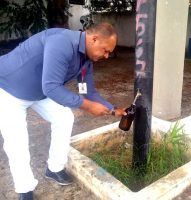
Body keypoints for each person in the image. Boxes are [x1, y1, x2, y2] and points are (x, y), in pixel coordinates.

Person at [0, 22, 126, 200]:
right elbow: (51, 87)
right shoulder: (62, 42)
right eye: (105, 50)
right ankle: (25, 188)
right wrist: (88, 106)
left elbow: (88, 91)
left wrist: (113, 110)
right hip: (8, 88)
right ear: (94, 39)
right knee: (17, 141)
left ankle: (54, 168)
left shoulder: (86, 59)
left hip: (39, 92)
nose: (106, 56)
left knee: (64, 118)